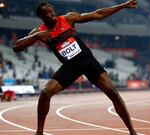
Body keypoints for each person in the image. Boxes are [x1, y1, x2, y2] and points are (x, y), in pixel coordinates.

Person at [13, 0, 138, 135]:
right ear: (41, 17)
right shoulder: (40, 31)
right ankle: (39, 132)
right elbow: (16, 47)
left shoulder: (68, 18)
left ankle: (132, 132)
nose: (51, 13)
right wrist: (36, 36)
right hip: (70, 66)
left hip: (88, 61)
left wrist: (122, 5)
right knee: (45, 93)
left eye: (51, 10)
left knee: (113, 92)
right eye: (47, 13)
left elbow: (98, 14)